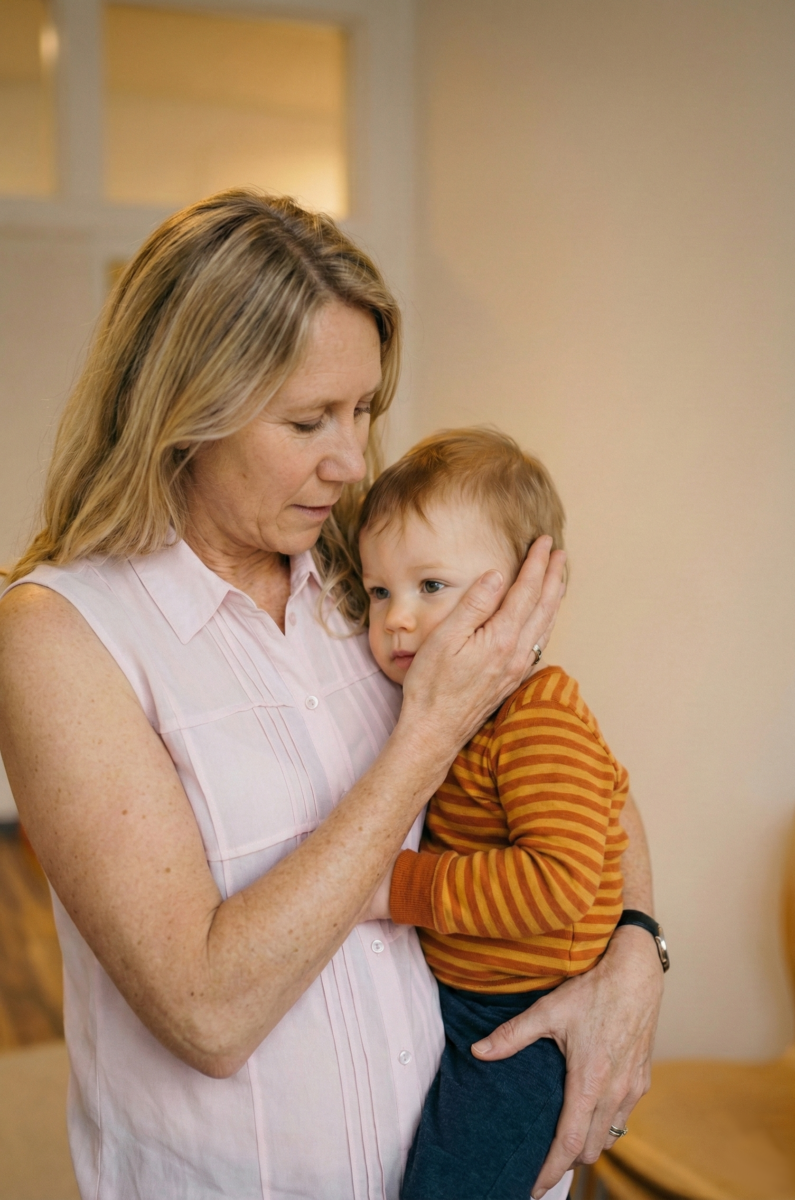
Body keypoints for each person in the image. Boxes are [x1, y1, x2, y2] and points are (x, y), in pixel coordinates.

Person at [0, 190, 663, 1200]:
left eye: (363, 410)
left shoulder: (374, 577)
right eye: (307, 419)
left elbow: (583, 776)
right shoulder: (61, 635)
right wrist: (427, 732)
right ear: (185, 407)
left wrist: (636, 953)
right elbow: (206, 1014)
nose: (350, 460)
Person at [357, 429, 634, 1199]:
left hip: (521, 1024)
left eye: (431, 587)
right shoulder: (455, 709)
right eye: (379, 592)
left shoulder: (536, 717)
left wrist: (395, 890)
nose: (397, 620)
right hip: (463, 997)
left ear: (523, 595)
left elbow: (556, 883)